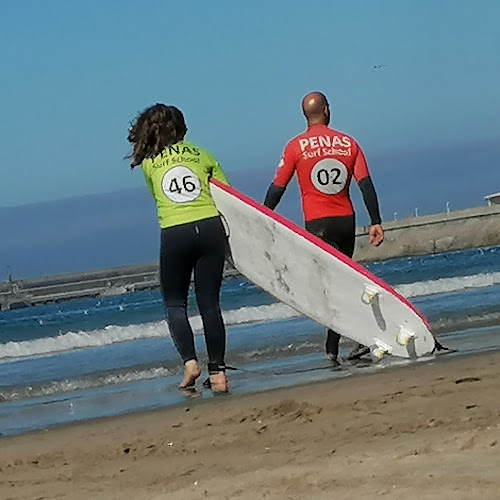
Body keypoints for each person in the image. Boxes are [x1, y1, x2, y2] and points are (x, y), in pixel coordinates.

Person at [263, 91, 384, 365]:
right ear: (327, 110)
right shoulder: (348, 143)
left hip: (317, 225)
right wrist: (375, 220)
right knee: (342, 281)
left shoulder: (295, 147)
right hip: (346, 221)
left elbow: (277, 187)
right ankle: (341, 345)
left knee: (329, 287)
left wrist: (262, 216)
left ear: (305, 114)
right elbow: (366, 184)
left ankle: (337, 348)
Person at [127, 103, 229, 392]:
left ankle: (190, 363)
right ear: (183, 128)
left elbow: (159, 198)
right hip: (210, 227)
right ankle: (219, 373)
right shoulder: (203, 154)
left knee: (175, 303)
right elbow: (227, 195)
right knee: (209, 302)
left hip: (175, 232)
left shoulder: (149, 164)